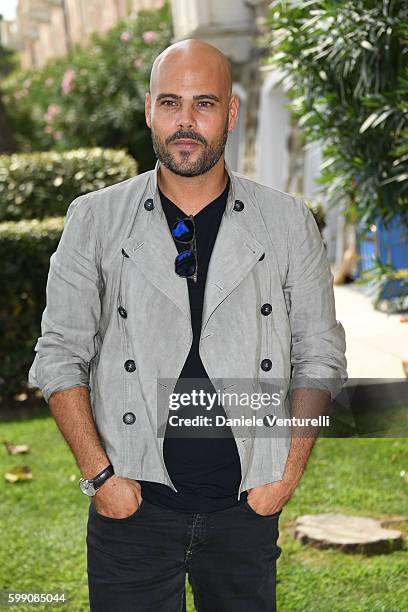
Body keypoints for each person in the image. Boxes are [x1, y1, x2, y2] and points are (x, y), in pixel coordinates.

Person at [28, 38, 347, 611]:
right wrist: (102, 479)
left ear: (231, 112)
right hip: (133, 507)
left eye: (203, 103)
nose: (185, 121)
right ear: (149, 109)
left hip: (246, 507)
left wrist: (285, 474)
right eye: (170, 102)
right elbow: (58, 354)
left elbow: (320, 356)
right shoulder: (96, 220)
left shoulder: (286, 222)